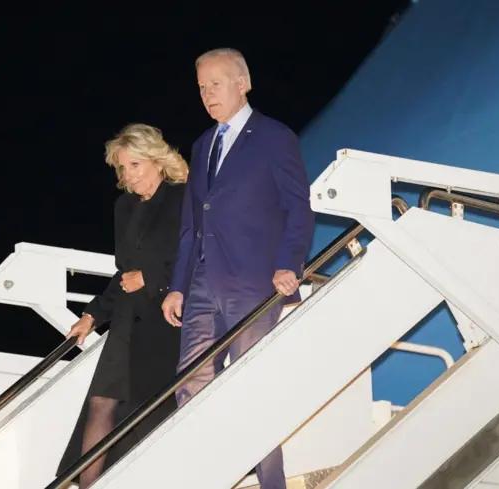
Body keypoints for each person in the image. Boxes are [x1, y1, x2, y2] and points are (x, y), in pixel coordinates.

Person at [161, 48, 314, 489]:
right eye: (201, 88)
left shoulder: (274, 137)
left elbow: (297, 207)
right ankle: (214, 473)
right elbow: (193, 224)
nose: (207, 94)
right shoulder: (202, 145)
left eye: (216, 84)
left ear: (242, 83)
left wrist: (289, 263)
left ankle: (271, 483)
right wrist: (177, 287)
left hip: (256, 281)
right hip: (203, 283)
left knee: (251, 388)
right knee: (191, 381)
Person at [58, 123, 188, 489]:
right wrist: (92, 315)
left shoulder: (184, 198)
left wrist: (152, 279)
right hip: (128, 321)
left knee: (146, 415)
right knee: (101, 402)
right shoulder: (124, 207)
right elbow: (123, 273)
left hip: (167, 319)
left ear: (157, 161)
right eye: (122, 167)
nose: (128, 175)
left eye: (135, 165)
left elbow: (195, 257)